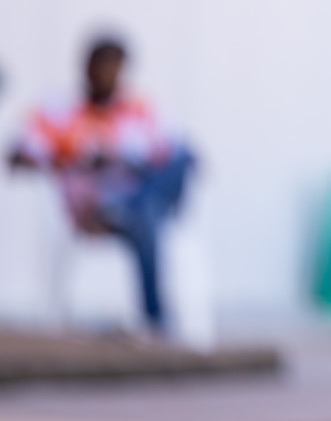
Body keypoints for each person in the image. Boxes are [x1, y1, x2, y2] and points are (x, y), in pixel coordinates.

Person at [8, 37, 194, 333]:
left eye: (113, 68)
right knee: (148, 220)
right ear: (85, 67)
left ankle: (137, 207)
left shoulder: (140, 111)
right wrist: (75, 158)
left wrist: (127, 161)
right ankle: (156, 322)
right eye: (99, 66)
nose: (105, 75)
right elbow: (18, 156)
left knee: (183, 157)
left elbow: (179, 157)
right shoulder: (61, 112)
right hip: (92, 207)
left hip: (135, 198)